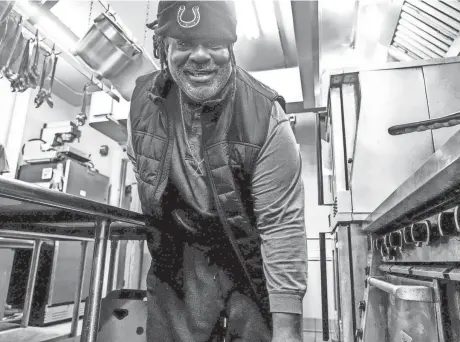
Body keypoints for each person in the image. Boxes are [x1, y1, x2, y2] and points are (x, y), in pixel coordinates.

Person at [126, 1, 308, 341]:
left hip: (247, 265)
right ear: (163, 47)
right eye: (183, 44)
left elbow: (281, 226)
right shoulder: (140, 102)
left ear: (230, 47)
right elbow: (141, 167)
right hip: (175, 272)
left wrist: (287, 331)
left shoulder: (265, 116)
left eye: (213, 44)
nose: (199, 56)